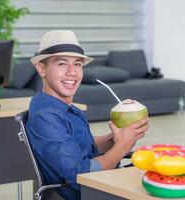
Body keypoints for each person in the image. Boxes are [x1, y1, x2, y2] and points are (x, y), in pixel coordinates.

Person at [26, 30, 149, 200]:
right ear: (41, 68)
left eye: (77, 64)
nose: (72, 72)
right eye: (62, 64)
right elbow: (81, 175)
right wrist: (121, 147)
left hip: (102, 182)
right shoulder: (46, 116)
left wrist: (116, 138)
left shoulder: (62, 107)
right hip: (89, 192)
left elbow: (84, 146)